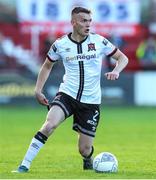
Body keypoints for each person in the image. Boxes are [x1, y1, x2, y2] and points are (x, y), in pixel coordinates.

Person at [12, 7, 128, 173]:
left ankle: (88, 159)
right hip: (67, 94)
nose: (87, 24)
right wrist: (38, 89)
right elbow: (46, 66)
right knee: (49, 125)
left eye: (89, 21)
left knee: (84, 149)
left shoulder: (99, 41)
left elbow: (123, 58)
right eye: (83, 21)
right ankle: (24, 165)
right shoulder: (60, 44)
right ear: (73, 22)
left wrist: (116, 70)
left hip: (91, 101)